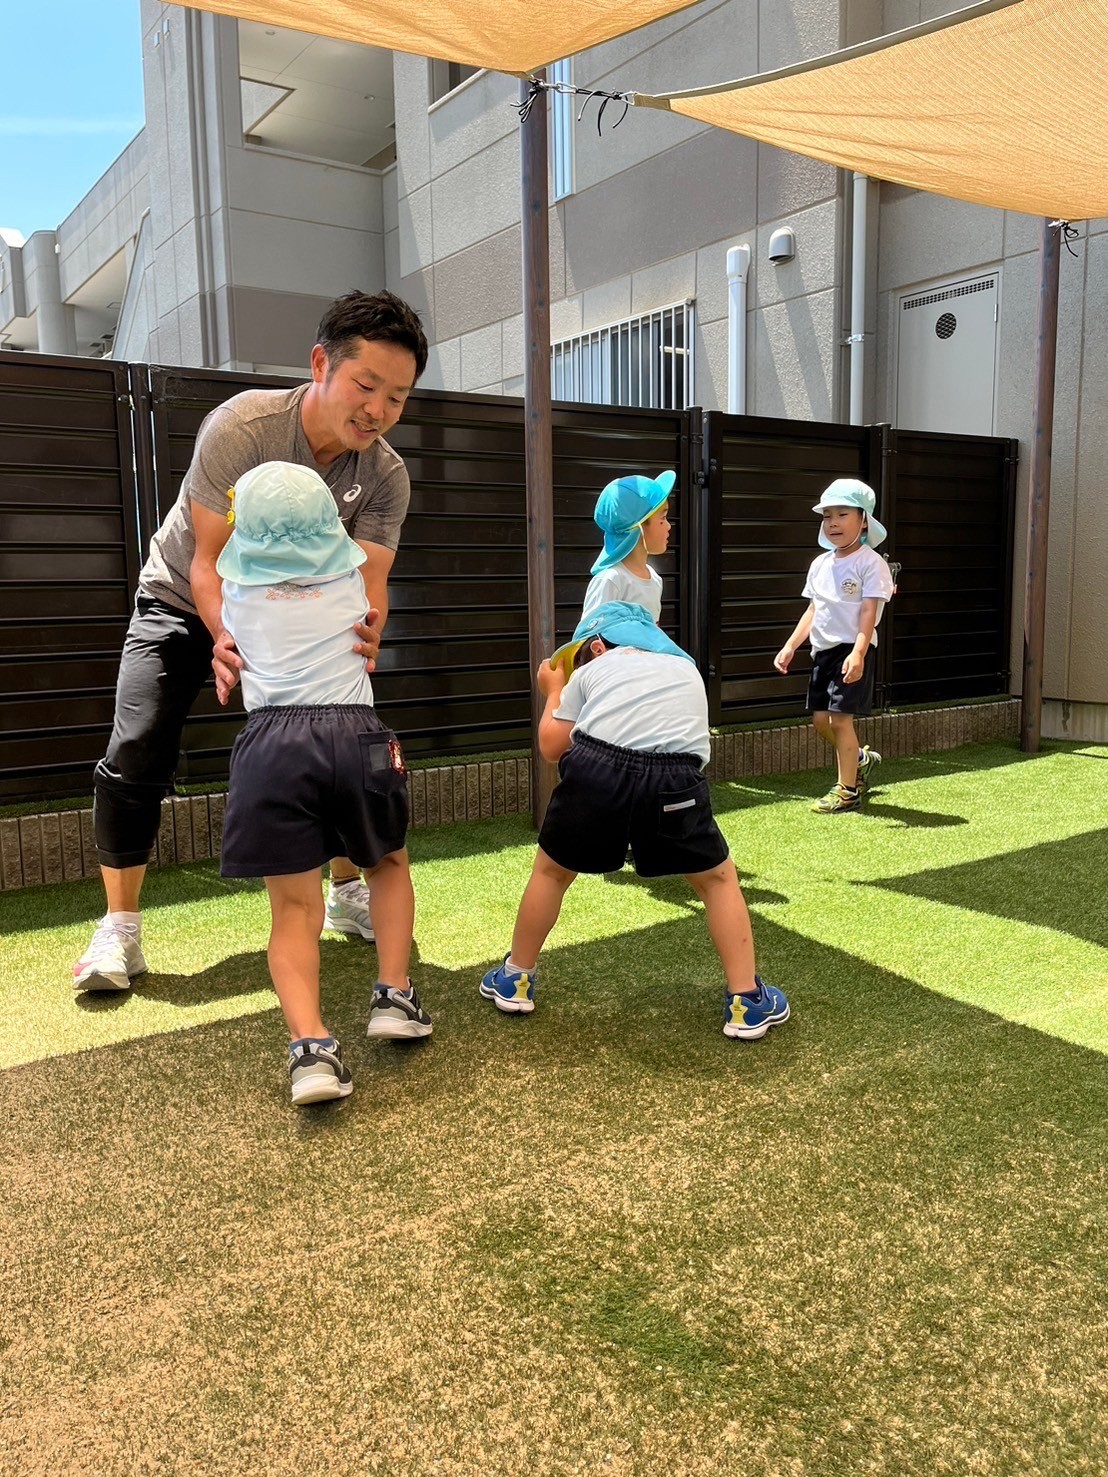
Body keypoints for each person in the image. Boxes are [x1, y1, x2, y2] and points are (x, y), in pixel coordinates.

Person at [73, 290, 428, 994]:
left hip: (306, 617)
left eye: (397, 397)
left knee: (340, 737)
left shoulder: (385, 475)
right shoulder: (244, 427)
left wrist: (366, 635)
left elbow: (370, 582)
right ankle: (120, 928)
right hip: (183, 598)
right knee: (137, 746)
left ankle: (346, 891)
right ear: (321, 364)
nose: (378, 410)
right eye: (366, 386)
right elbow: (209, 563)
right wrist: (226, 639)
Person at [217, 461, 430, 1106]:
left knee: (293, 910)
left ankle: (310, 1050)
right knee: (387, 863)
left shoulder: (236, 596)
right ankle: (394, 995)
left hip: (270, 747)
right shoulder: (352, 580)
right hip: (355, 734)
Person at [479, 601, 789, 1041]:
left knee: (551, 872)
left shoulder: (592, 671)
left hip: (596, 770)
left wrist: (553, 690)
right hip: (676, 779)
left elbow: (551, 747)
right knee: (717, 882)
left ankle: (515, 978)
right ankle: (746, 1001)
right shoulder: (686, 669)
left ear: (598, 645)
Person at [773, 478, 895, 814]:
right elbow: (813, 610)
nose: (833, 523)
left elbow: (868, 612)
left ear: (864, 520)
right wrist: (790, 646)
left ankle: (847, 791)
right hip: (822, 652)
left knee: (840, 721)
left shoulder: (871, 563)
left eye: (842, 514)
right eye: (827, 516)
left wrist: (859, 652)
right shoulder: (820, 564)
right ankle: (860, 760)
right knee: (820, 721)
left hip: (851, 649)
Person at [580, 471, 674, 623]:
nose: (669, 526)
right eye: (663, 518)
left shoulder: (654, 578)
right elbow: (590, 635)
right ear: (638, 526)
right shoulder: (611, 580)